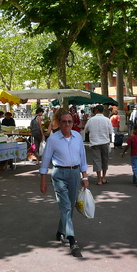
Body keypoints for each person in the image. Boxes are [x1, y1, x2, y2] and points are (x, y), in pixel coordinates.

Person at [39, 110, 89, 258]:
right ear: (59, 123)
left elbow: (83, 157)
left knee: (70, 205)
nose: (67, 124)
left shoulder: (77, 137)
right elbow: (45, 160)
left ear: (73, 123)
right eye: (64, 122)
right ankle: (72, 240)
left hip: (74, 173)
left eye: (69, 122)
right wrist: (43, 181)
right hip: (59, 174)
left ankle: (61, 231)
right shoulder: (53, 139)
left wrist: (84, 176)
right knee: (65, 206)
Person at [84, 104, 114, 185]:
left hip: (94, 143)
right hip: (105, 142)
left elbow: (86, 130)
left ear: (96, 110)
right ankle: (104, 177)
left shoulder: (91, 120)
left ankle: (99, 179)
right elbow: (111, 131)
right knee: (105, 160)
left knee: (97, 160)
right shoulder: (107, 120)